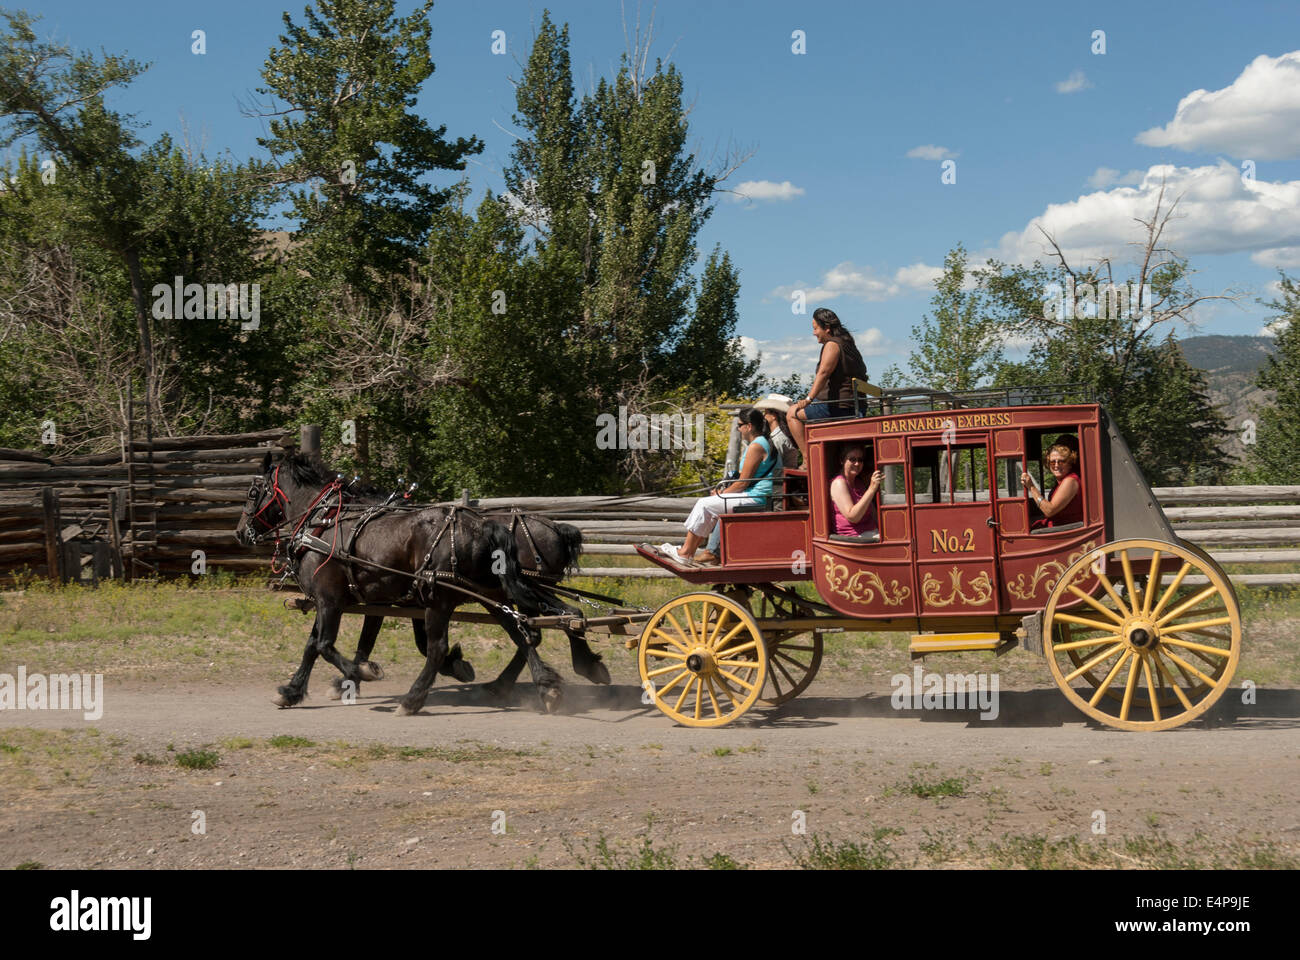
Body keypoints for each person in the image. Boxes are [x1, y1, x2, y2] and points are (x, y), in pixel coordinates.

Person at [659, 407, 778, 564]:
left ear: (748, 426)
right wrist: (724, 492)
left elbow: (742, 483)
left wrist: (722, 493)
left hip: (757, 498)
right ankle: (688, 553)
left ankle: (686, 552)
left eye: (739, 425)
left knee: (704, 504)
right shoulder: (761, 442)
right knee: (710, 506)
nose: (738, 429)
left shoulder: (757, 446)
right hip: (757, 495)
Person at [787, 308, 868, 460]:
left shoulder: (832, 345)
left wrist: (809, 399)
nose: (814, 333)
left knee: (792, 414)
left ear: (827, 328)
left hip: (837, 407)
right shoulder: (849, 345)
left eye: (815, 328)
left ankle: (807, 459)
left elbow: (824, 373)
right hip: (857, 406)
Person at [1022, 443, 1082, 528]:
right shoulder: (1060, 482)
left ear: (1069, 463)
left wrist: (1031, 487)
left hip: (1065, 530)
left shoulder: (1070, 481)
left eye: (1061, 461)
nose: (1056, 465)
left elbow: (1049, 511)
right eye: (1053, 462)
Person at [830, 443, 883, 539]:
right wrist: (871, 489)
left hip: (870, 532)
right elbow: (853, 517)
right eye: (852, 459)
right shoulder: (839, 483)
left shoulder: (858, 482)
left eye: (860, 460)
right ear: (842, 461)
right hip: (853, 537)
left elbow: (872, 511)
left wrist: (883, 528)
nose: (857, 463)